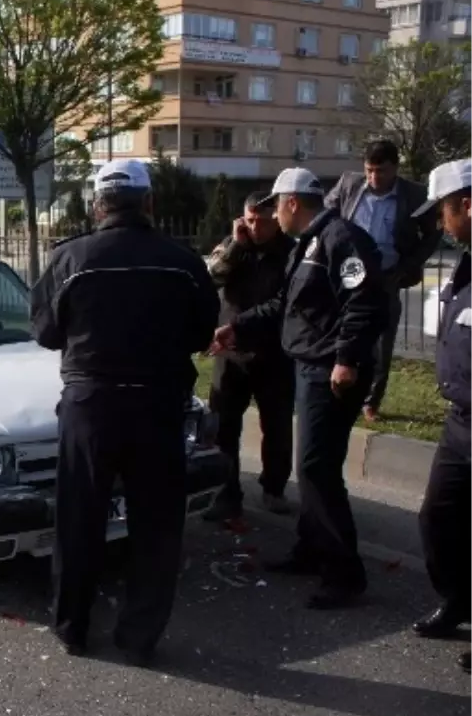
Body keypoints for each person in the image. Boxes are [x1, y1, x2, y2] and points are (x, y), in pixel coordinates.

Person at [30, 159, 219, 665]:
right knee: (156, 525)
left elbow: (46, 332)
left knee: (80, 519)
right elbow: (202, 334)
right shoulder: (183, 262)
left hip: (90, 406)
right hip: (157, 406)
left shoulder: (70, 259)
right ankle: (139, 637)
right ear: (150, 203)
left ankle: (71, 626)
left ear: (97, 205)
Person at [212, 168, 388, 610]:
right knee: (311, 467)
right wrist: (238, 328)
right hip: (308, 366)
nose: (273, 215)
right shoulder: (309, 243)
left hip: (330, 370)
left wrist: (346, 358)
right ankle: (311, 550)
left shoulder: (340, 239)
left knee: (316, 470)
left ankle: (344, 574)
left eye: (276, 206)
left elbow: (365, 300)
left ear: (291, 203)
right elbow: (283, 305)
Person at [404, 158, 472, 674]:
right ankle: (458, 599)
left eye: (442, 213)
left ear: (467, 206)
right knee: (438, 518)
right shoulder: (466, 261)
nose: (439, 225)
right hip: (459, 422)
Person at [325, 140, 438, 423]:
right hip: (345, 274)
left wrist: (409, 265)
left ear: (395, 169)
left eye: (382, 171)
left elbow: (433, 234)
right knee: (336, 330)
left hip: (386, 277)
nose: (374, 178)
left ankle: (370, 401)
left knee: (381, 342)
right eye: (369, 170)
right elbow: (326, 214)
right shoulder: (349, 184)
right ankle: (334, 384)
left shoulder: (414, 195)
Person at [203, 192, 296, 522]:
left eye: (263, 221)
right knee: (223, 426)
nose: (256, 227)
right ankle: (227, 494)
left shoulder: (290, 252)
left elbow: (286, 303)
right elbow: (210, 276)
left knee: (277, 425)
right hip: (231, 352)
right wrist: (235, 246)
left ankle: (274, 488)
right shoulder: (234, 246)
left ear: (277, 219)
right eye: (250, 220)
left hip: (273, 351)